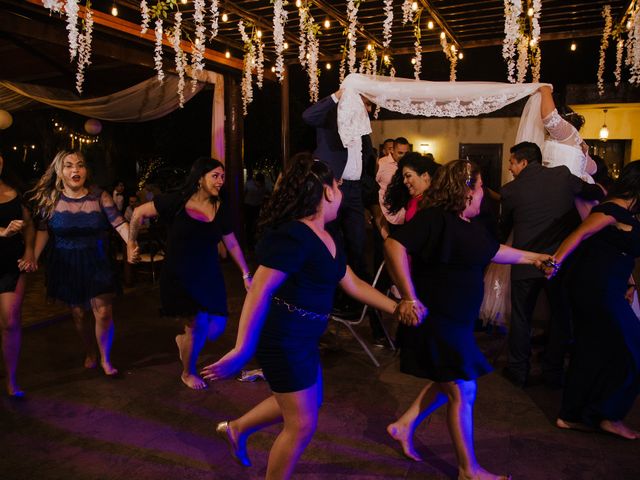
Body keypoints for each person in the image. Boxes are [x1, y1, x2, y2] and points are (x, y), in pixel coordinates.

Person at [200, 154, 399, 479]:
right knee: (302, 424)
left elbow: (353, 283)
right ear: (326, 191)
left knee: (302, 402)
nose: (341, 188)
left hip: (304, 340)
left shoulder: (329, 236)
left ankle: (236, 429)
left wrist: (397, 308)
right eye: (337, 183)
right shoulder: (294, 236)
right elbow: (259, 290)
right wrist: (242, 350)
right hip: (283, 341)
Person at [384, 159, 552, 480]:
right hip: (437, 320)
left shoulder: (468, 225)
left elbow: (494, 251)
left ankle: (404, 425)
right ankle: (468, 470)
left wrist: (535, 258)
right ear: (465, 190)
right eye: (478, 188)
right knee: (464, 390)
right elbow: (393, 244)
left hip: (457, 322)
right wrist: (408, 296)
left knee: (450, 378)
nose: (482, 196)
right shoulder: (435, 219)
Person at [128, 157, 251, 390]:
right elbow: (138, 213)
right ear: (199, 178)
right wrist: (130, 243)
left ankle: (184, 341)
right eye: (215, 175)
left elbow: (232, 243)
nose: (220, 181)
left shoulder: (220, 207)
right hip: (179, 274)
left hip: (208, 275)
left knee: (215, 329)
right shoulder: (177, 200)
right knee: (197, 325)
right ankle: (188, 372)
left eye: (222, 176)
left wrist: (246, 273)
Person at [547, 160, 640, 440]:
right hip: (597, 290)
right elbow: (581, 234)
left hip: (607, 286)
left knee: (593, 351)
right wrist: (555, 263)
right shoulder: (610, 209)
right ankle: (607, 415)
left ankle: (572, 415)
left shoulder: (627, 214)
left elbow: (616, 251)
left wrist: (630, 281)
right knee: (632, 349)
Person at [500, 141, 605, 388]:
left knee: (521, 317)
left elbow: (503, 229)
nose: (510, 168)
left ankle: (518, 370)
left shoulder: (510, 191)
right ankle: (553, 370)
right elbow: (594, 194)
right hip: (559, 260)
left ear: (524, 162)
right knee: (560, 316)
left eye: (512, 163)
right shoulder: (562, 176)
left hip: (525, 262)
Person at [30, 150, 129, 376]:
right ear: (60, 171)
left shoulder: (99, 196)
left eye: (80, 165)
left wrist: (131, 242)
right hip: (67, 262)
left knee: (103, 313)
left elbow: (119, 222)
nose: (76, 169)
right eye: (69, 165)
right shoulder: (51, 199)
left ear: (86, 170)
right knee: (80, 315)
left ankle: (105, 358)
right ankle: (90, 351)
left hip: (98, 259)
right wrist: (33, 257)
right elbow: (43, 232)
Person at [0, 152, 36, 397]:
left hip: (11, 265)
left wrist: (30, 251)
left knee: (10, 321)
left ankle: (11, 380)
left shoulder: (16, 192)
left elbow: (30, 226)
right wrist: (1, 232)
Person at [539, 85, 598, 219]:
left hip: (562, 199)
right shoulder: (580, 144)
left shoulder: (566, 132)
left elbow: (549, 118)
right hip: (578, 202)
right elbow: (593, 169)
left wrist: (545, 90)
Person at [384, 152, 439, 223]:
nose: (404, 181)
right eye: (404, 177)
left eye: (408, 176)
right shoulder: (413, 200)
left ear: (425, 175)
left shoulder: (436, 201)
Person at [377, 137, 411, 232]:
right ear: (392, 150)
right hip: (386, 213)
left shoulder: (409, 164)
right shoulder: (382, 164)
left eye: (406, 153)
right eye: (400, 153)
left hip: (405, 213)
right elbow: (374, 186)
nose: (403, 156)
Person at [244, 171, 268, 250]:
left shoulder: (264, 185)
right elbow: (243, 194)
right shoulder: (248, 184)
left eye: (261, 183)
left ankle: (253, 241)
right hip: (248, 206)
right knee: (248, 224)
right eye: (259, 182)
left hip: (257, 206)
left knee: (255, 224)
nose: (260, 185)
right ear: (255, 180)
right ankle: (248, 242)